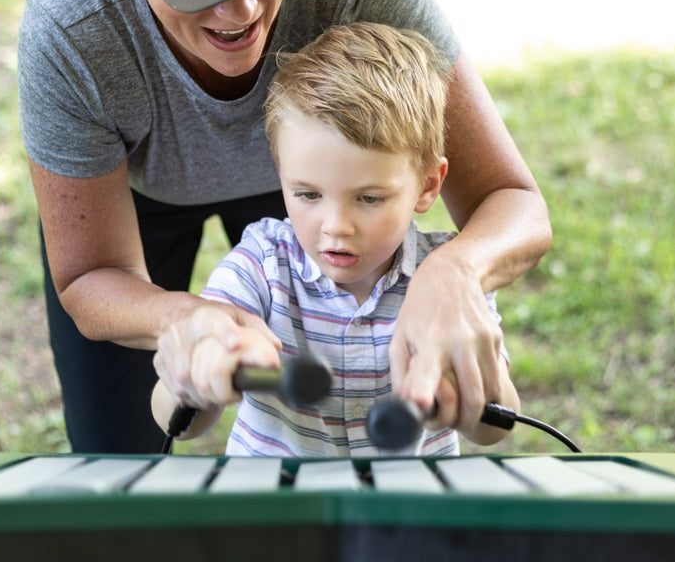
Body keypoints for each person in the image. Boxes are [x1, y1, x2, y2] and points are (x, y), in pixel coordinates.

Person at [18, 0, 551, 454]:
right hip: (145, 196)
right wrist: (186, 326)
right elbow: (92, 276)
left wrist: (455, 272)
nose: (241, 9)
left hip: (315, 177)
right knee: (115, 452)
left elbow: (512, 199)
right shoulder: (71, 22)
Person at [151, 23, 521, 455]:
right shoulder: (261, 264)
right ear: (280, 168)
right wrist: (198, 378)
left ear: (426, 185)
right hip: (278, 514)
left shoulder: (447, 283)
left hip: (407, 515)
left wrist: (470, 393)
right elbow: (175, 420)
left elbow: (496, 428)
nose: (335, 226)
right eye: (308, 194)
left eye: (368, 198)